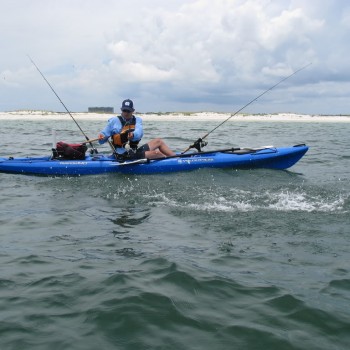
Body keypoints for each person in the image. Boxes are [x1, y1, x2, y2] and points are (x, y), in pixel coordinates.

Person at [98, 99, 176, 160]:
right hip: (122, 155)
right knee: (157, 154)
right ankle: (169, 162)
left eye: (128, 111)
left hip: (134, 152)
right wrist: (102, 137)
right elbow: (101, 139)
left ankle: (177, 159)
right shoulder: (114, 121)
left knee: (158, 141)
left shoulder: (137, 120)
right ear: (121, 110)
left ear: (133, 111)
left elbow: (139, 132)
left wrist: (133, 135)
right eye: (124, 110)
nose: (126, 113)